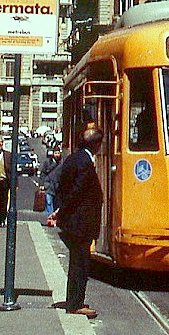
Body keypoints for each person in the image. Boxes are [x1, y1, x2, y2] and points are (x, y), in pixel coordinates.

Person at [51, 123, 104, 318]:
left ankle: (74, 301)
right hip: (81, 223)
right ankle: (75, 303)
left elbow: (63, 187)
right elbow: (77, 191)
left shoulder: (74, 158)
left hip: (76, 222)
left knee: (77, 263)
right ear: (96, 144)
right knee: (80, 265)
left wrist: (60, 211)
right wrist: (61, 212)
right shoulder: (84, 162)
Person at [38, 146, 64, 227]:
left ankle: (56, 219)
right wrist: (42, 184)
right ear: (53, 153)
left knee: (57, 204)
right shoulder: (48, 162)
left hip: (58, 187)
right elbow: (43, 173)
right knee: (49, 203)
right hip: (49, 186)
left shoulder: (62, 163)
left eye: (58, 153)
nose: (57, 155)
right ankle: (50, 219)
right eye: (55, 153)